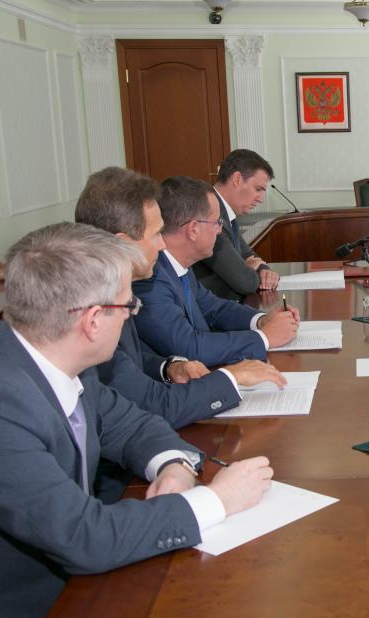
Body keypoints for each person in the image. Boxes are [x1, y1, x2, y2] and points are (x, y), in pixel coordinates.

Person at [0, 223, 273, 618]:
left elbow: (133, 424)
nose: (133, 313)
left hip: (83, 588)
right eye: (128, 304)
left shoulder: (52, 353)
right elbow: (83, 537)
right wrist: (216, 500)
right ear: (93, 321)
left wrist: (174, 466)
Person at [75, 166, 286, 430]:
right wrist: (232, 375)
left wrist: (168, 367)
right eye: (156, 234)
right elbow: (151, 402)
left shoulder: (111, 291)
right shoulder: (101, 306)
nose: (163, 245)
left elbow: (130, 361)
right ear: (123, 244)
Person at [133, 176, 299, 367]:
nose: (220, 230)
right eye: (217, 222)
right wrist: (265, 338)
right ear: (193, 230)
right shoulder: (149, 279)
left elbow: (215, 308)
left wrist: (261, 320)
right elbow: (189, 348)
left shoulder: (178, 265)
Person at [198, 148, 280, 299]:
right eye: (258, 189)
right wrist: (247, 270)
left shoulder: (227, 213)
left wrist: (263, 269)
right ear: (237, 179)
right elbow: (245, 282)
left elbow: (248, 254)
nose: (261, 199)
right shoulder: (209, 215)